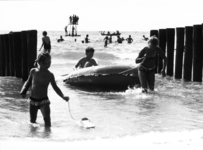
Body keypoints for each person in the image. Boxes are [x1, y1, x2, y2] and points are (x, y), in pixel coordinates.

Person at [20, 52, 69, 127]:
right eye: (46, 63)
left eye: (49, 63)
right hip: (33, 100)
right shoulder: (33, 71)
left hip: (44, 100)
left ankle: (47, 135)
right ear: (39, 62)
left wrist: (63, 96)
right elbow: (28, 82)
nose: (48, 65)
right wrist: (24, 90)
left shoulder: (50, 75)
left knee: (47, 120)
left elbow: (55, 87)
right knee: (32, 121)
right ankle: (33, 136)